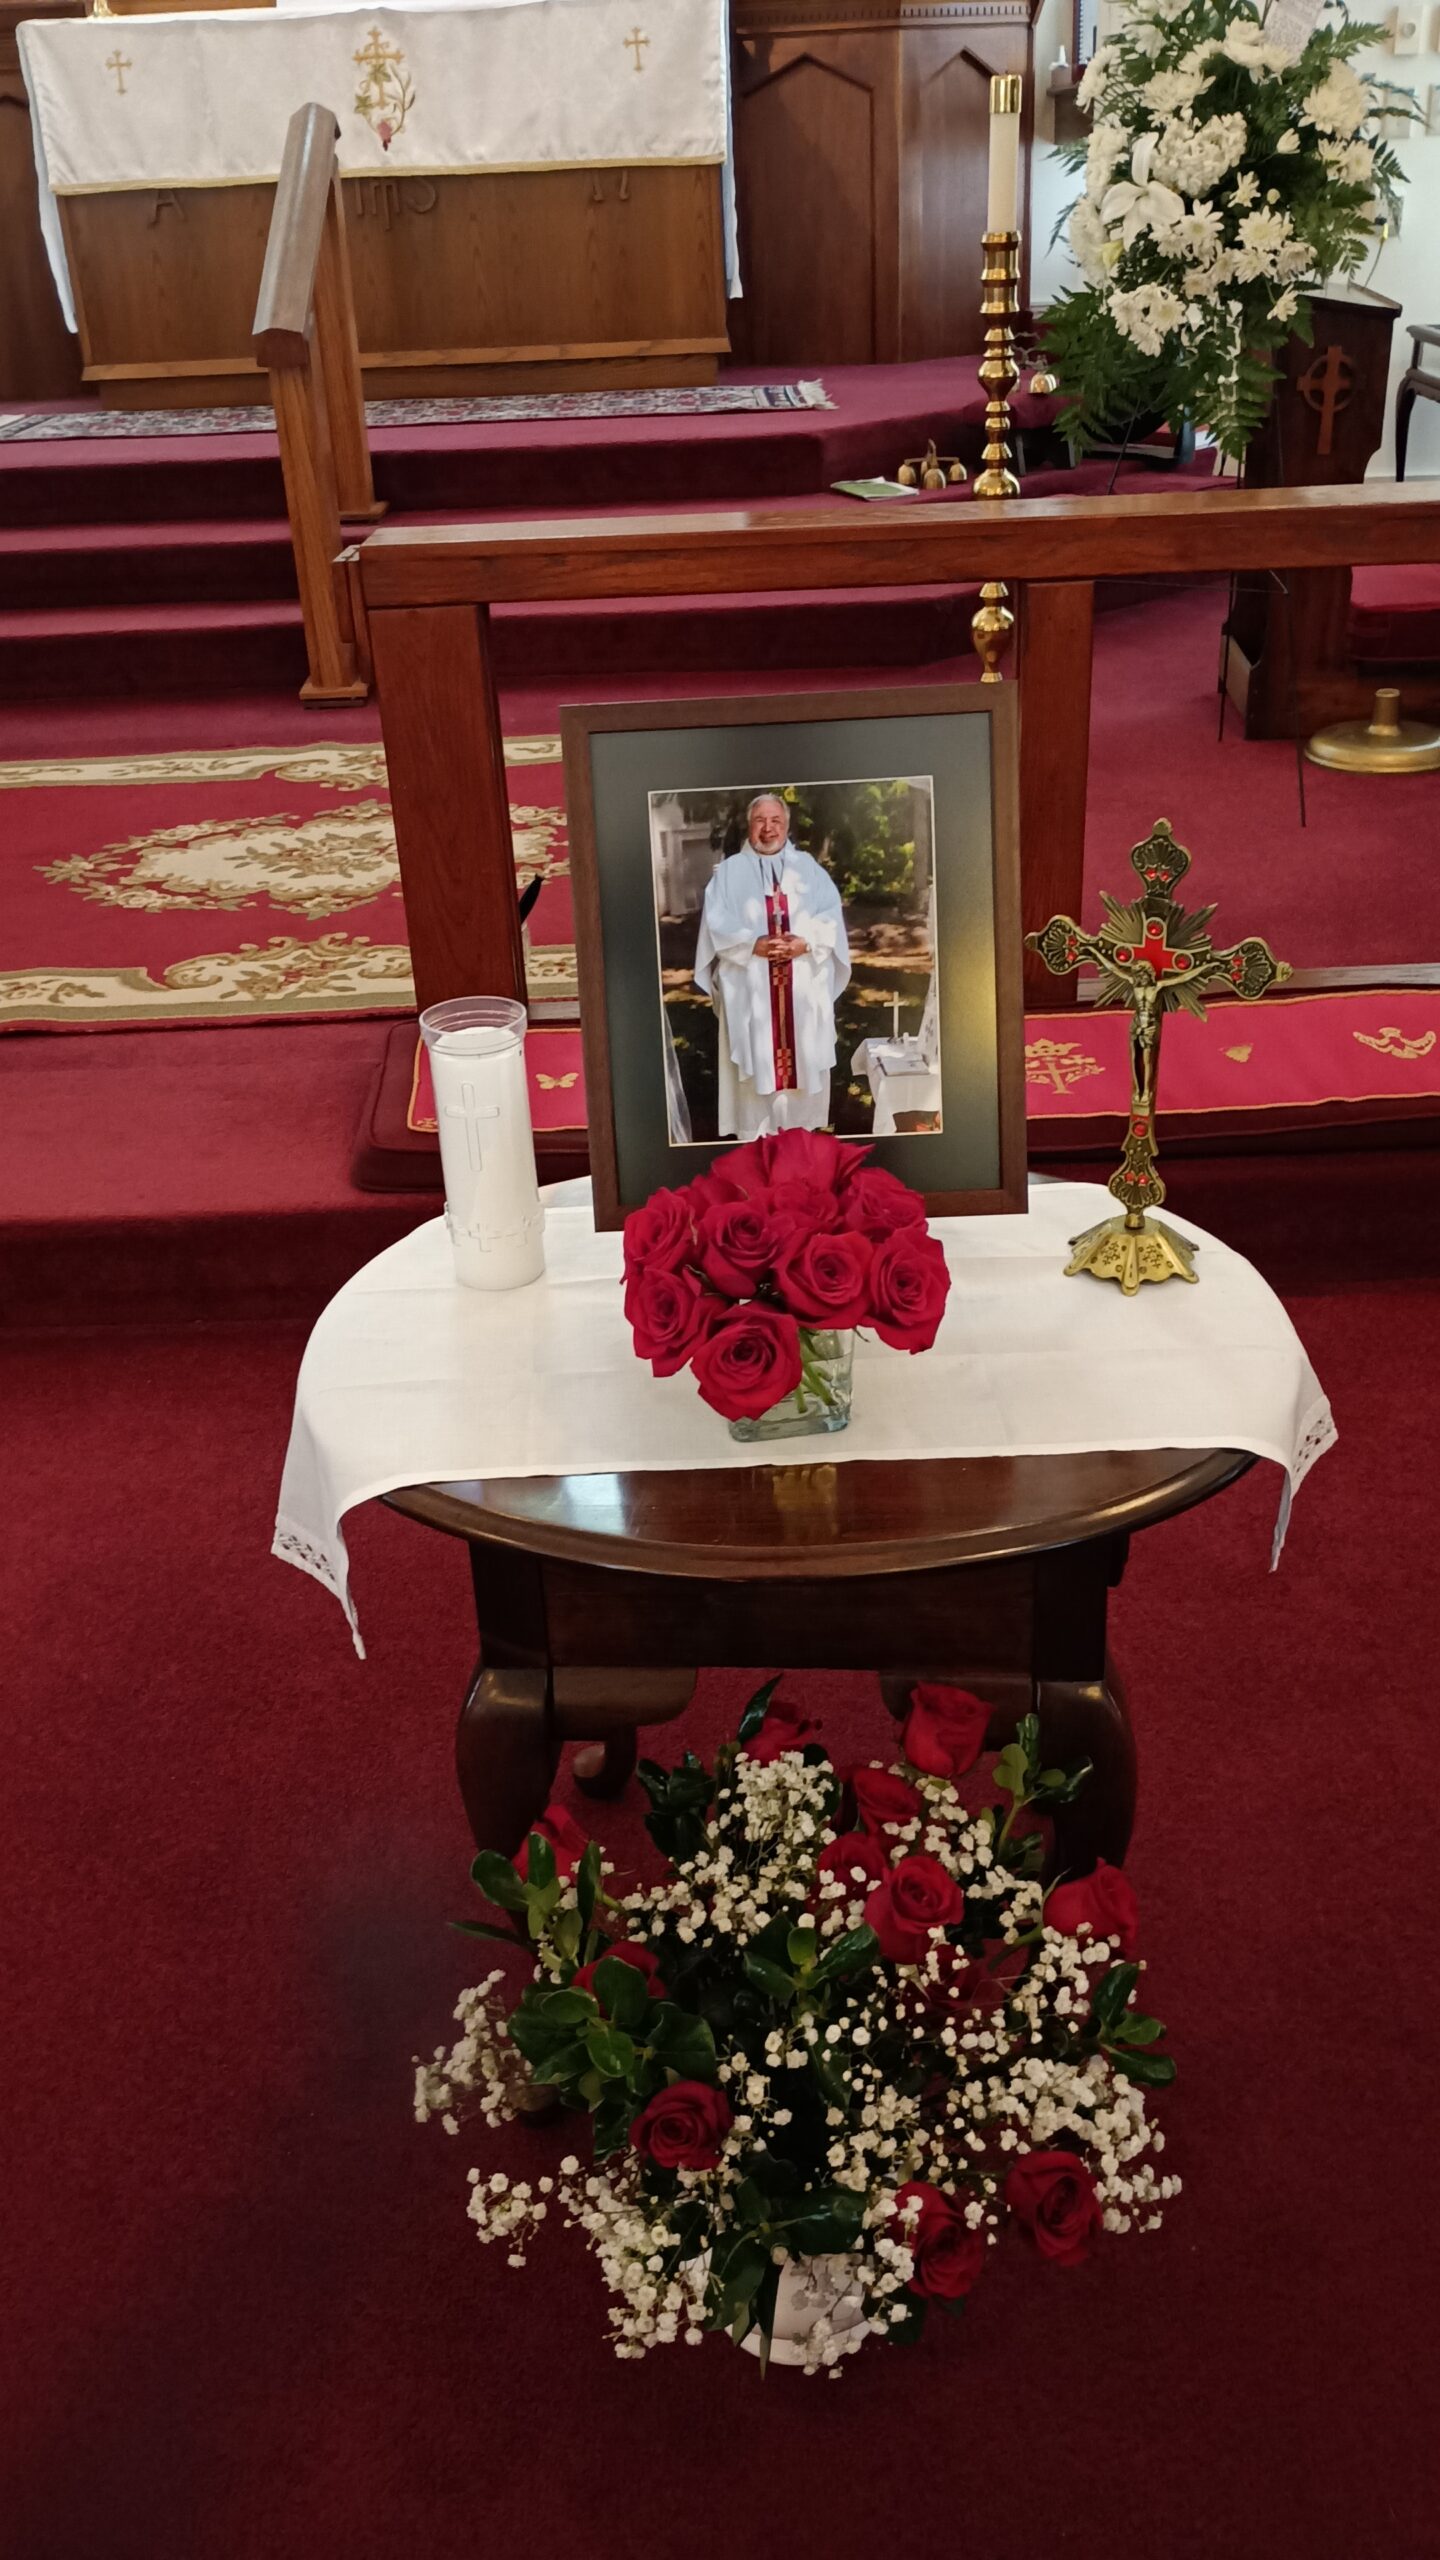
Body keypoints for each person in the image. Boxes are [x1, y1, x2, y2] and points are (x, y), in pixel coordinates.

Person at [693, 793, 851, 1140]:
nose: (768, 828)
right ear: (749, 826)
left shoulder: (808, 869)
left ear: (787, 825)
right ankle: (756, 1141)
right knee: (755, 1070)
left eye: (776, 820)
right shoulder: (730, 872)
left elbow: (831, 916)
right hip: (751, 990)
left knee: (803, 1062)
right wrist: (753, 944)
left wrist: (805, 942)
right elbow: (716, 922)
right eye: (760, 820)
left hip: (801, 991)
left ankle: (802, 1139)